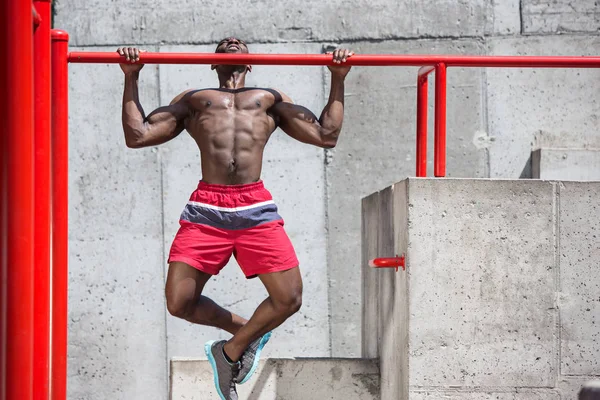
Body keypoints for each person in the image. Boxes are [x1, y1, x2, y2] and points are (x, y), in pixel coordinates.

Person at [117, 38, 353, 400]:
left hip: (253, 206)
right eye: (223, 44)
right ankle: (247, 333)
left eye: (238, 43)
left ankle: (227, 353)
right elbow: (138, 135)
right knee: (179, 303)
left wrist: (337, 77)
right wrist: (131, 77)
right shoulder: (195, 99)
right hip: (207, 207)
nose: (231, 42)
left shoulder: (270, 98)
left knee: (289, 298)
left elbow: (326, 135)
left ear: (250, 63)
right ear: (213, 63)